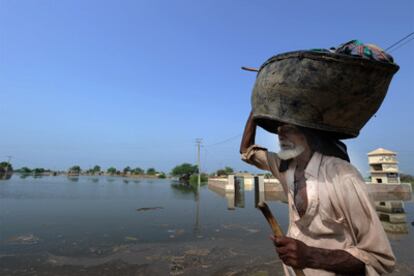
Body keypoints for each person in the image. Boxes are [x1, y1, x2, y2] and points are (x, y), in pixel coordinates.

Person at [240, 112, 395, 276]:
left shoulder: (343, 177)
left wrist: (311, 256)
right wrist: (256, 108)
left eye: (289, 128)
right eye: (279, 129)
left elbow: (377, 259)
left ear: (310, 133)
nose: (280, 134)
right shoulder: (285, 168)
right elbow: (246, 150)